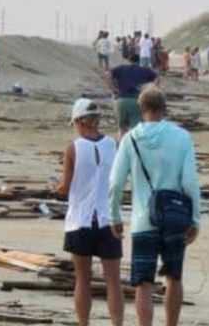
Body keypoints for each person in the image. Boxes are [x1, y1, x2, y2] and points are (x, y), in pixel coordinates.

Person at [108, 88, 201, 326]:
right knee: (173, 277)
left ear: (141, 109)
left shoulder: (130, 139)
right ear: (164, 108)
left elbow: (116, 183)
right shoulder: (181, 137)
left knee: (143, 283)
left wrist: (115, 216)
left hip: (142, 219)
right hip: (175, 218)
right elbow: (189, 182)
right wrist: (195, 218)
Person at [54, 99, 124, 326]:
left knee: (83, 279)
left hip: (81, 219)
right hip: (108, 218)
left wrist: (57, 188)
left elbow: (65, 187)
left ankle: (84, 323)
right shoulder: (113, 145)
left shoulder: (73, 148)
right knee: (113, 280)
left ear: (79, 122)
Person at [106, 54, 159, 137]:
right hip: (137, 100)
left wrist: (112, 88)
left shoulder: (121, 68)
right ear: (139, 61)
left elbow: (108, 74)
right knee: (137, 129)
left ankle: (121, 147)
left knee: (122, 128)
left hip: (121, 100)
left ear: (128, 60)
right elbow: (157, 77)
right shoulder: (145, 70)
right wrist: (152, 90)